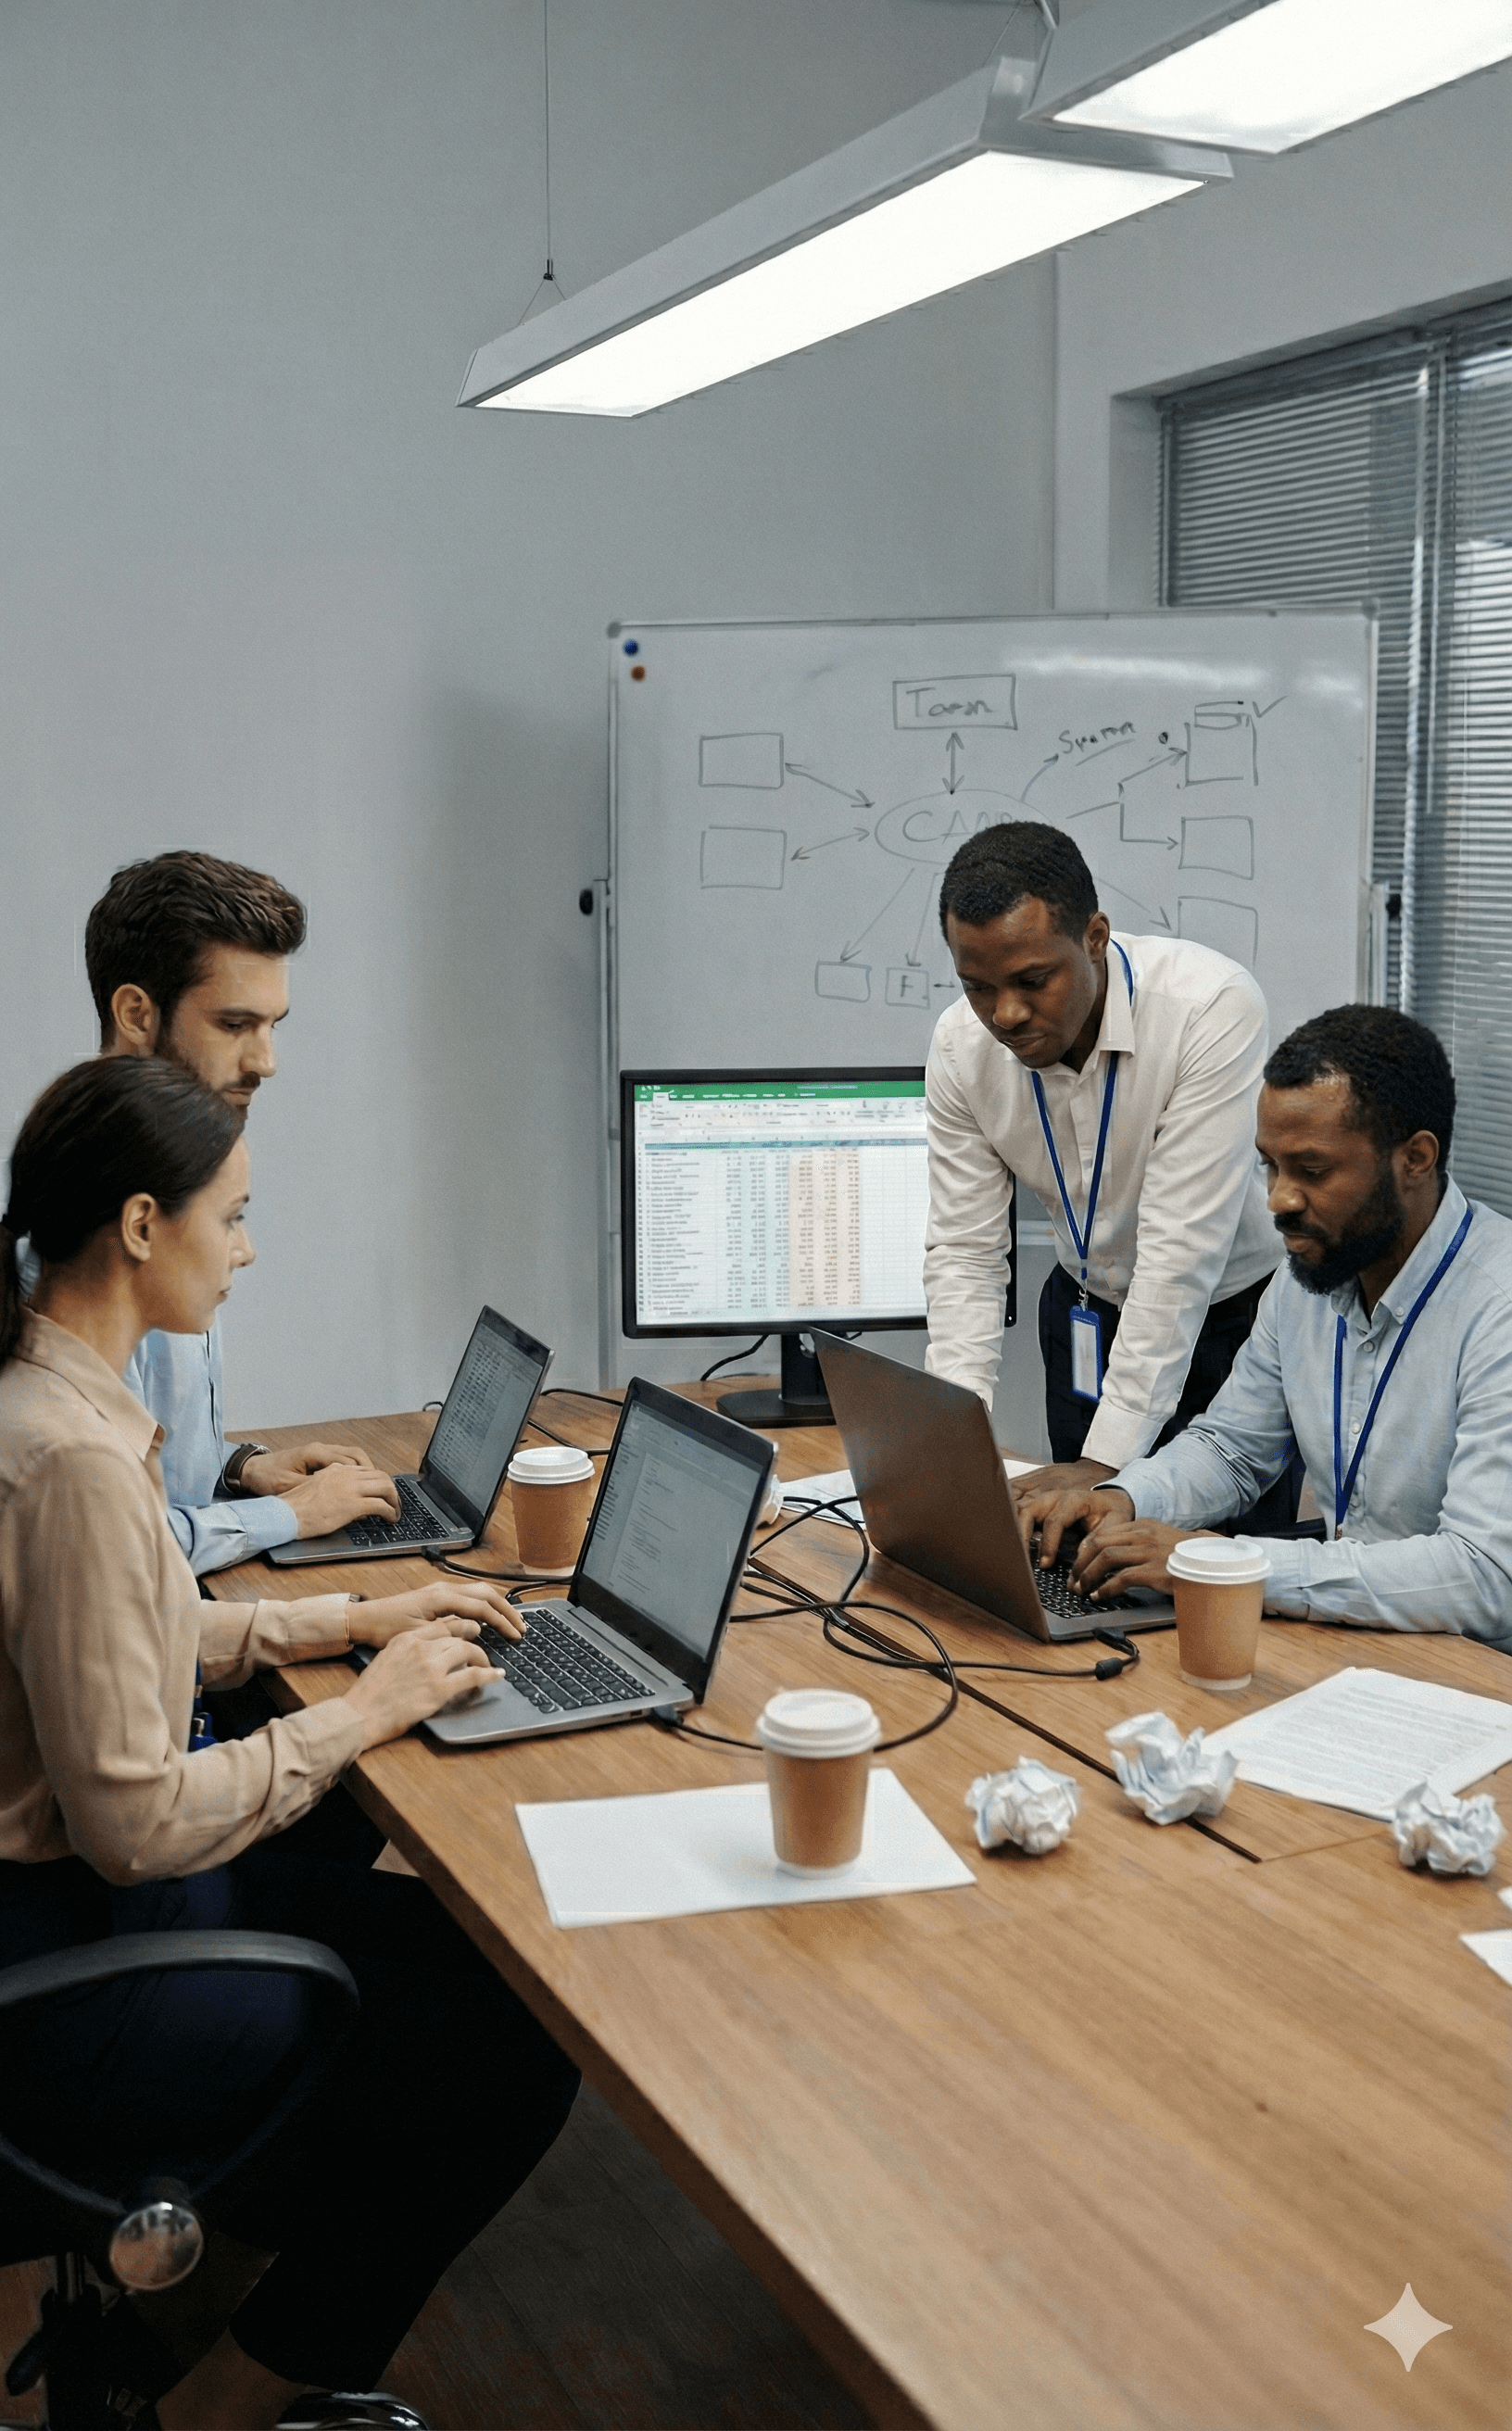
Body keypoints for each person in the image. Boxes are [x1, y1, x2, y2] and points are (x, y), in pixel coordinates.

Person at [0, 1057, 579, 2428]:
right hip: (75, 1963)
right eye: (237, 1218)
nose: (250, 1253)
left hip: (73, 1919)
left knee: (498, 1973)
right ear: (143, 1226)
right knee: (510, 2057)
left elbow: (125, 1633)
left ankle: (213, 2306)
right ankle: (220, 2408)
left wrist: (349, 1618)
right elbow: (133, 1824)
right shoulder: (72, 1454)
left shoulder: (53, 1396)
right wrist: (364, 1710)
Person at [1022, 1005, 1512, 1651]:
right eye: (1269, 1167)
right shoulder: (1310, 1275)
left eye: (1311, 1171)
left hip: (1473, 1672)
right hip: (1360, 1639)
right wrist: (1125, 1500)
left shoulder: (1496, 1305)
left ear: (1415, 1159)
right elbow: (1233, 1448)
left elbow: (1484, 1576)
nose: (1278, 1200)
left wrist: (1226, 1566)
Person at [924, 822, 1292, 1526]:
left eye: (1033, 980)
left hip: (1229, 1324)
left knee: (1220, 1581)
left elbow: (1178, 1260)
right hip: (1084, 1310)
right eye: (977, 987)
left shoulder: (1208, 1009)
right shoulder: (959, 1047)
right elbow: (965, 1254)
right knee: (1072, 1559)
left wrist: (1106, 1466)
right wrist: (955, 1444)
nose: (1005, 1013)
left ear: (1095, 938)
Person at [81, 850, 402, 1572]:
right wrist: (287, 1516)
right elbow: (106, 1547)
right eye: (235, 1024)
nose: (266, 1061)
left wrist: (242, 1469)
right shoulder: (78, 1228)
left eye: (272, 1024)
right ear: (136, 1012)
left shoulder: (179, 1177)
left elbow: (142, 1464)